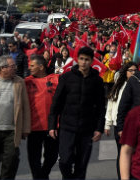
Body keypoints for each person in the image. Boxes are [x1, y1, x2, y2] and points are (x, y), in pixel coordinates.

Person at [49, 46, 106, 179]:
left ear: (92, 61)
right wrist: (52, 125)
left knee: (81, 164)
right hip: (67, 126)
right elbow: (56, 103)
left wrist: (99, 128)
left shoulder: (97, 81)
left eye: (87, 59)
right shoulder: (67, 77)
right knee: (64, 161)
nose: (84, 62)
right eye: (81, 59)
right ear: (77, 60)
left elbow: (100, 107)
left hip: (87, 128)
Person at [25, 54, 59, 179]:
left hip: (52, 126)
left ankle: (43, 175)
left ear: (41, 67)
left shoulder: (56, 79)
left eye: (32, 65)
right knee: (33, 158)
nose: (30, 68)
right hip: (33, 127)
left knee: (52, 156)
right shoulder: (26, 82)